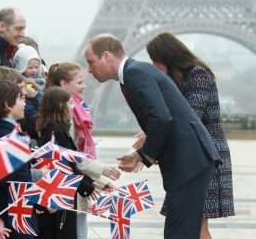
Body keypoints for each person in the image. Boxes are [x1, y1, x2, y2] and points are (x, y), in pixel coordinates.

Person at [84, 33, 221, 239]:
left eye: (90, 62)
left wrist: (144, 154)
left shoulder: (134, 73)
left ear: (106, 56)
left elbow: (161, 117)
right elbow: (162, 117)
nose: (89, 69)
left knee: (179, 232)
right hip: (191, 160)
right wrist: (141, 154)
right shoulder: (136, 71)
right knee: (183, 231)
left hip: (188, 161)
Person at [144, 32, 235, 239]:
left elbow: (190, 116)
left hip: (205, 155)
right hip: (192, 155)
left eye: (155, 59)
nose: (153, 64)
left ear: (167, 55)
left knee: (196, 223)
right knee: (193, 222)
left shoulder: (198, 74)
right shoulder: (179, 78)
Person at [45, 62, 120, 239]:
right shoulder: (64, 123)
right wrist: (100, 173)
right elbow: (73, 157)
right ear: (64, 84)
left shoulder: (75, 113)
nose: (84, 86)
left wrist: (98, 179)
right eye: (79, 82)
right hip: (71, 187)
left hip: (76, 184)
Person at [35, 86, 99, 239]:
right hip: (59, 197)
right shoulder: (55, 132)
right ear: (59, 106)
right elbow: (65, 165)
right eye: (70, 103)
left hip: (63, 194)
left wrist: (89, 182)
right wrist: (86, 185)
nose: (73, 107)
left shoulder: (56, 130)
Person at [0, 81, 36, 239]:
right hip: (11, 217)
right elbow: (19, 180)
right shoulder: (7, 137)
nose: (25, 103)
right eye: (21, 99)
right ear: (7, 105)